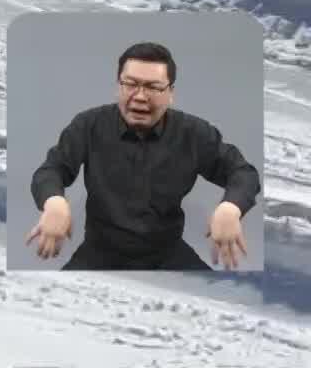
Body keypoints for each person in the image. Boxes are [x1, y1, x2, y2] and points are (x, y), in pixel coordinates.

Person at [27, 42, 260, 270]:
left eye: (153, 87)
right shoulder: (89, 125)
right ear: (118, 86)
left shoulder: (194, 133)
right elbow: (51, 170)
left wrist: (231, 208)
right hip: (98, 254)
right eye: (130, 84)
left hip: (168, 256)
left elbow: (243, 173)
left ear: (170, 93)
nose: (140, 96)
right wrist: (54, 202)